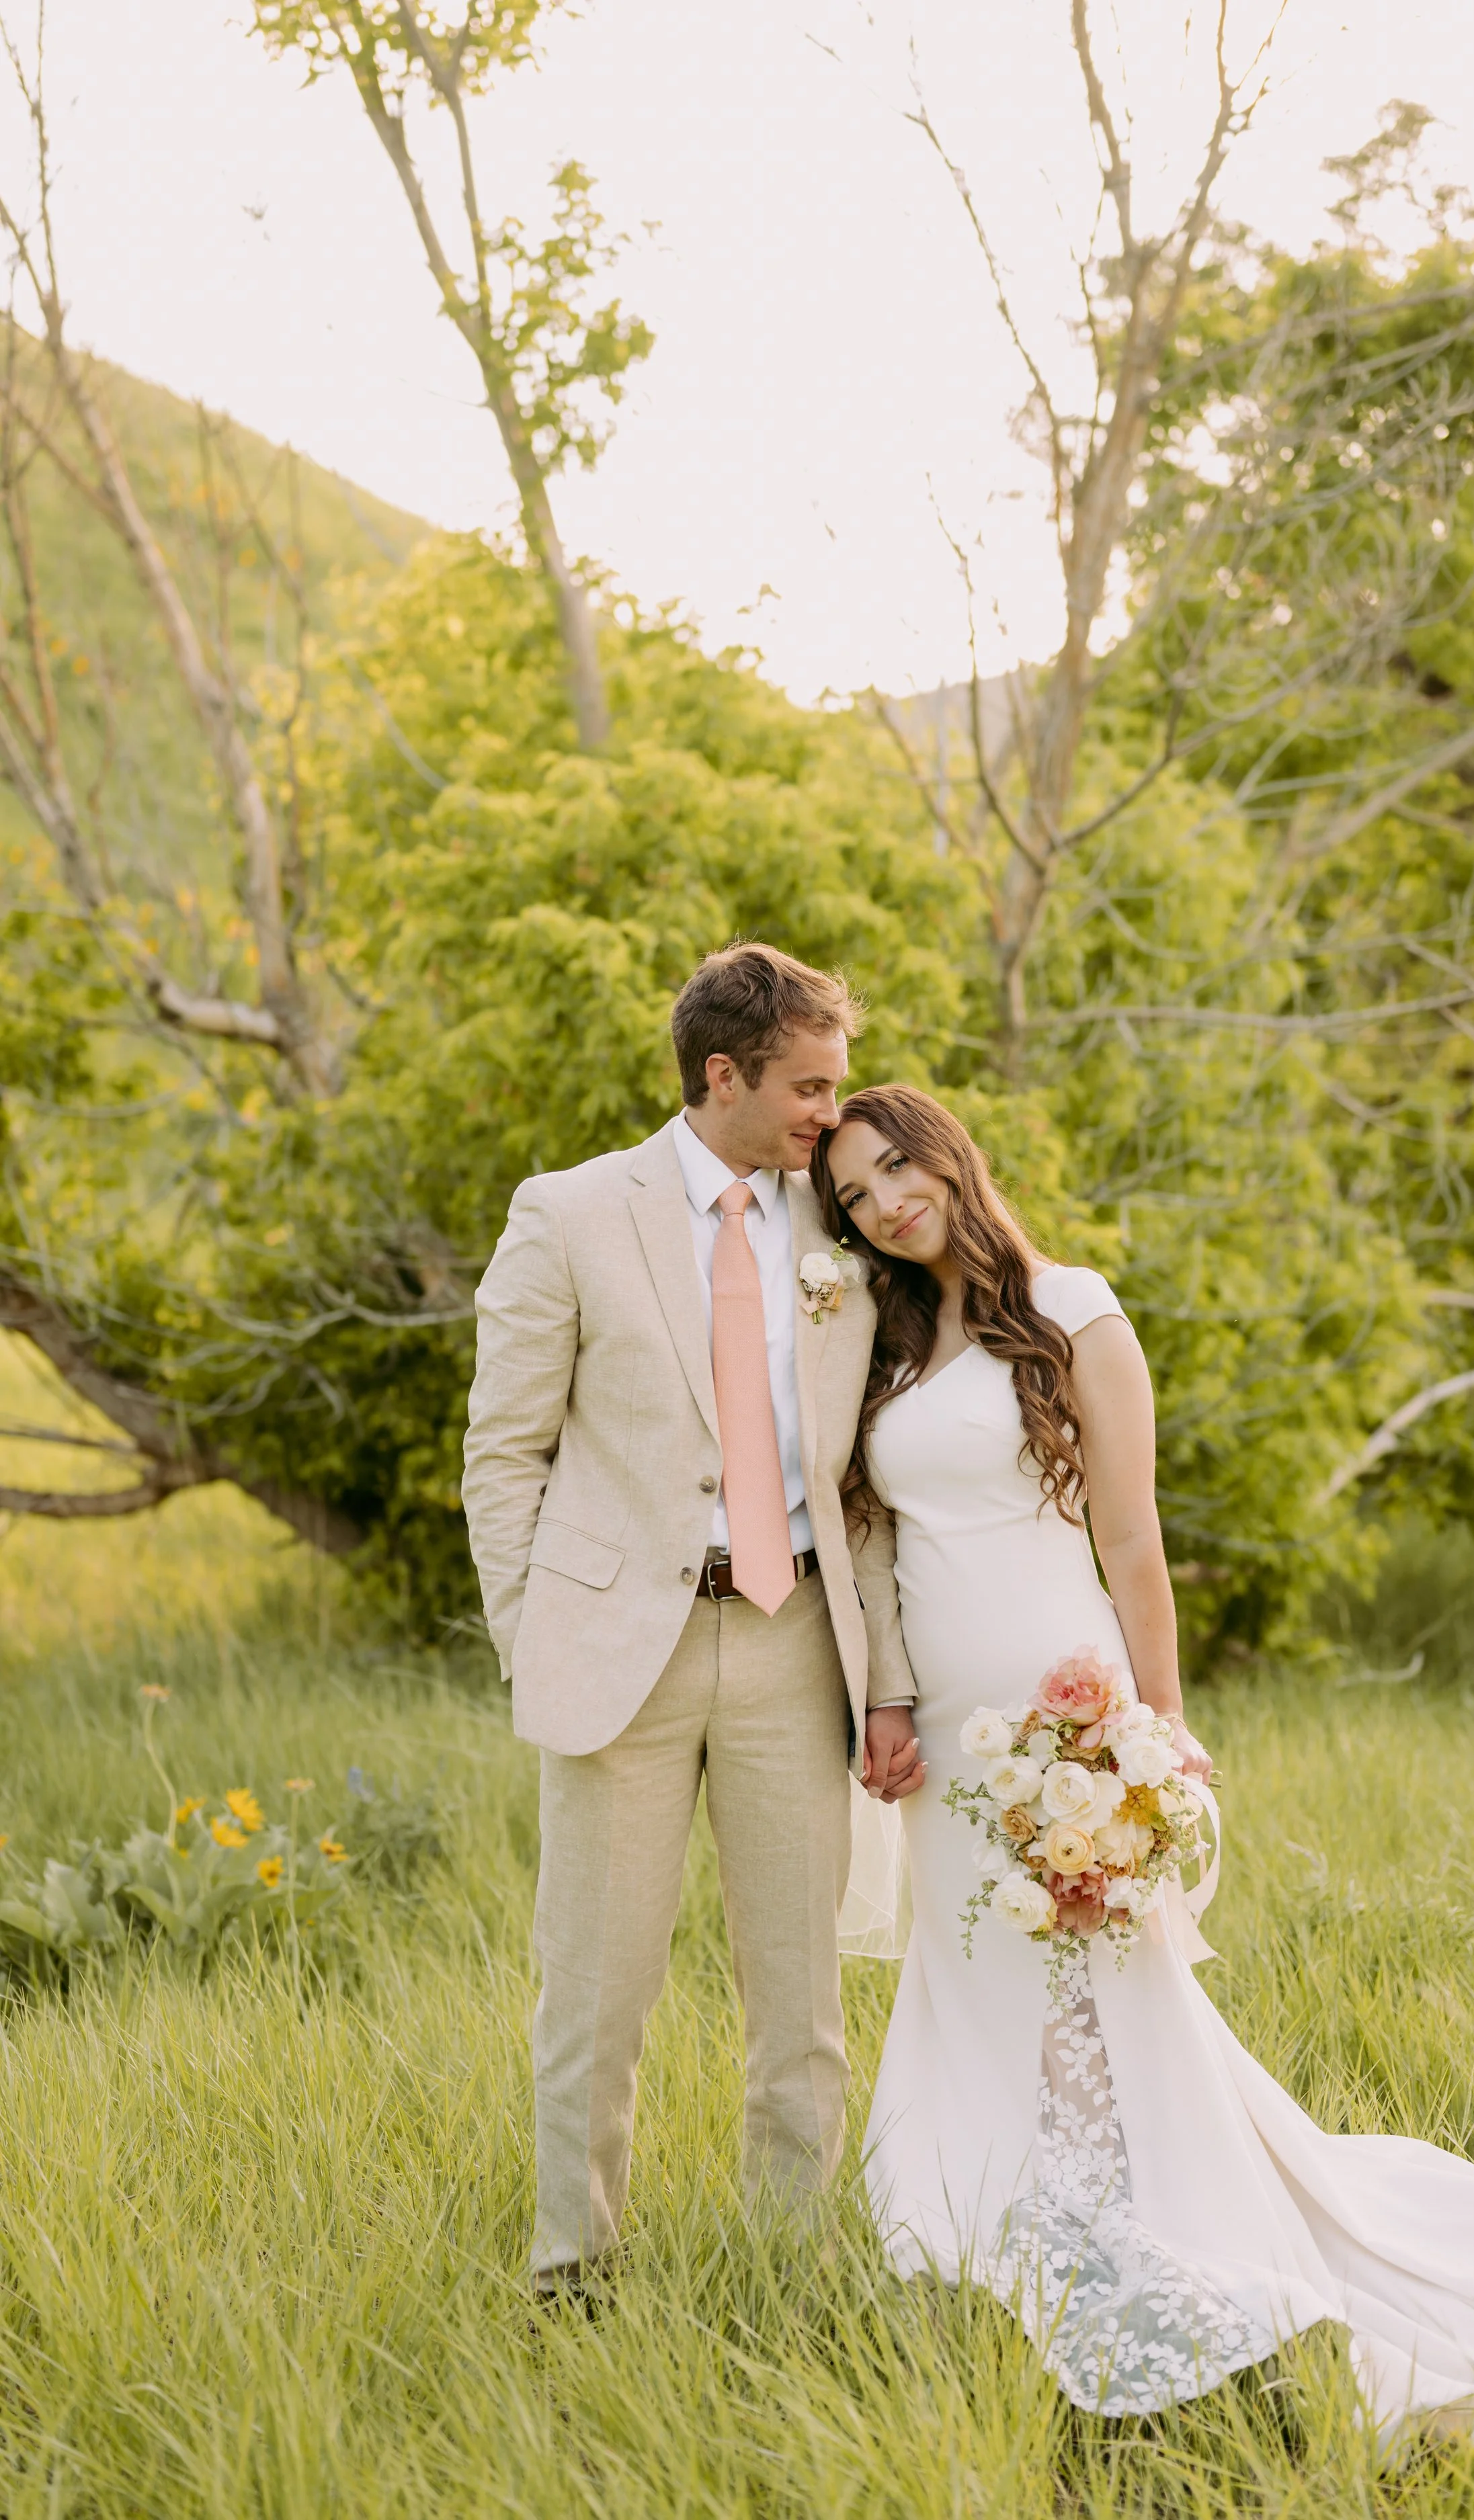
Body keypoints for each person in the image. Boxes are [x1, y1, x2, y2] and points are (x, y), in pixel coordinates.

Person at [812, 1082, 1474, 2434]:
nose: (881, 1206)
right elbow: (878, 1542)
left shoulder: (1072, 1308)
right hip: (946, 1740)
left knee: (1101, 1982)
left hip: (1063, 1707)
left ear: (945, 1154)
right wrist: (888, 1701)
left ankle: (1135, 2227)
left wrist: (1152, 1726)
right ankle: (972, 2221)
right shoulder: (889, 1341)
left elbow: (1132, 1541)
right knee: (971, 1981)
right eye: (854, 1198)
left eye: (890, 1172)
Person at [462, 945, 926, 2300]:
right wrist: (529, 1635)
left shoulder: (840, 1225)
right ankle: (572, 2271)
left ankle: (786, 2270)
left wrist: (884, 1678)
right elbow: (502, 1456)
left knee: (801, 2002)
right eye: (807, 1085)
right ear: (720, 1075)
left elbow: (866, 1483)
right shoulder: (566, 1213)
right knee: (595, 1995)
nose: (829, 1116)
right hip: (623, 1655)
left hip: (795, 1648)